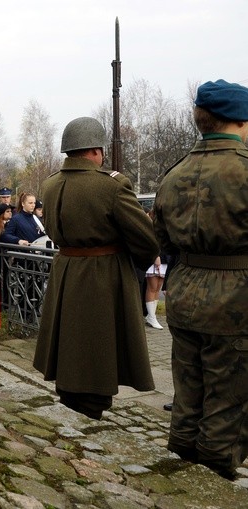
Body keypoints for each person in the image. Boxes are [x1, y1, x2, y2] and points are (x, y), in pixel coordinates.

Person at [33, 116, 159, 420]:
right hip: (104, 273)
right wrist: (136, 265)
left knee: (71, 338)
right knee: (99, 340)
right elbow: (146, 238)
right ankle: (92, 403)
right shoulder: (111, 186)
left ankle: (71, 395)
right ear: (95, 151)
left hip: (65, 268)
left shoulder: (49, 184)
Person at [153, 79, 248, 480]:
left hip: (185, 291)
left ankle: (184, 460)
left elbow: (158, 239)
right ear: (240, 121)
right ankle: (212, 475)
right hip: (235, 296)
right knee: (229, 395)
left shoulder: (174, 173)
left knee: (188, 387)